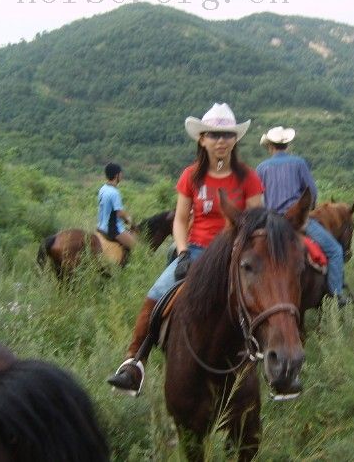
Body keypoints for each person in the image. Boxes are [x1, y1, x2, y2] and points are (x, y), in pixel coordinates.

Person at [107, 103, 264, 395]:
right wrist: (181, 253)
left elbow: (257, 224)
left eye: (227, 135)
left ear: (235, 140)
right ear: (202, 139)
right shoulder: (191, 176)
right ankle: (134, 363)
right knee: (156, 295)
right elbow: (180, 221)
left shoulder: (249, 178)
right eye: (214, 135)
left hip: (237, 256)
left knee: (266, 300)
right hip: (197, 252)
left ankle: (275, 364)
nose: (221, 141)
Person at [256, 126, 348, 306]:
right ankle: (337, 295)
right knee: (335, 251)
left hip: (271, 222)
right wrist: (308, 210)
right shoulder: (299, 163)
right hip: (297, 221)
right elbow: (311, 191)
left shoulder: (261, 168)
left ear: (270, 146)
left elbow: (259, 198)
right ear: (287, 145)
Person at [98, 163, 136, 253]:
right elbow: (119, 213)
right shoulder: (114, 192)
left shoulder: (103, 189)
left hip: (100, 227)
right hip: (113, 230)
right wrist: (129, 219)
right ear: (116, 175)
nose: (122, 176)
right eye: (121, 173)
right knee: (137, 248)